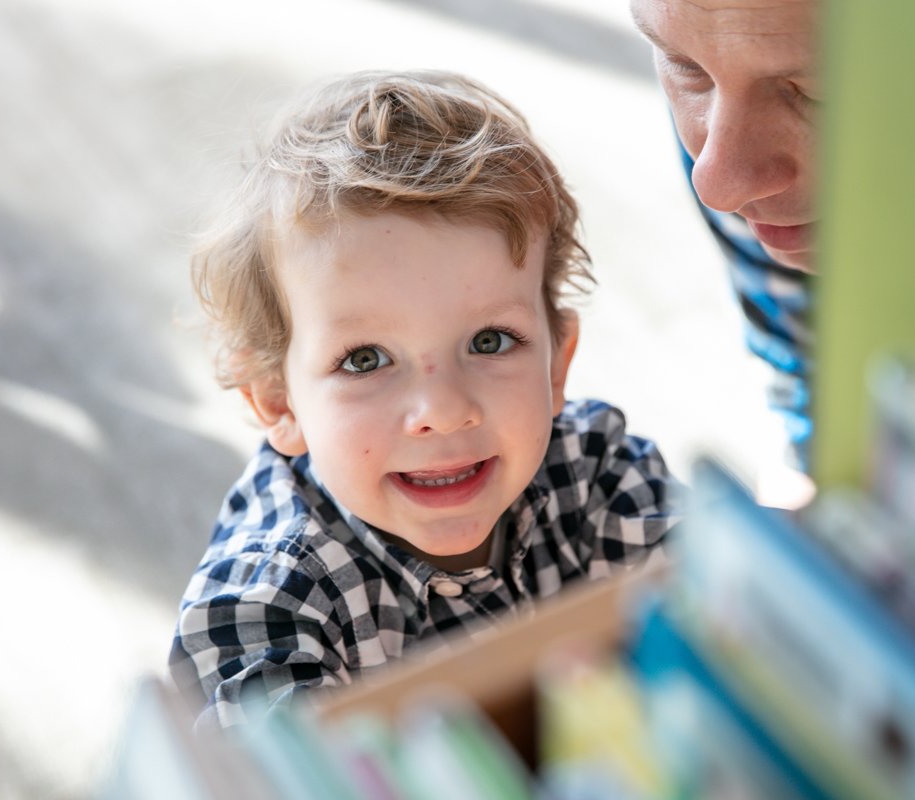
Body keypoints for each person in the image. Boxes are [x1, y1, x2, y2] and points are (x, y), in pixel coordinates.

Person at [168, 70, 681, 729]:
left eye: (491, 341)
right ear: (278, 402)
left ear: (559, 362)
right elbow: (277, 773)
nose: (441, 409)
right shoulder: (269, 609)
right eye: (366, 360)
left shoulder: (599, 476)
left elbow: (729, 623)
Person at [630, 0, 817, 483]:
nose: (715, 185)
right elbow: (806, 367)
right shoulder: (731, 149)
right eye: (685, 66)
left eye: (819, 97)